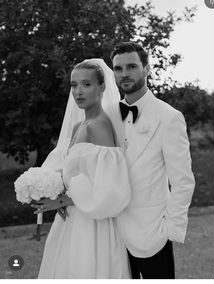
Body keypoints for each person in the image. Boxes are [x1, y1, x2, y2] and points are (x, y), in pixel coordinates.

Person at [31, 59, 131, 279]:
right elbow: (77, 172)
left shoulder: (99, 126)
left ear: (102, 87)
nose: (78, 91)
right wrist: (52, 189)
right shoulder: (79, 126)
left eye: (86, 84)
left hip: (93, 224)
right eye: (74, 85)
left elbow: (109, 187)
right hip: (74, 218)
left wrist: (62, 200)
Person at [110, 42, 195, 279]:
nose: (124, 74)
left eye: (131, 66)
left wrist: (170, 229)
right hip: (113, 234)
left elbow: (183, 181)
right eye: (118, 68)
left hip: (152, 234)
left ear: (147, 69)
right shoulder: (108, 116)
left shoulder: (169, 118)